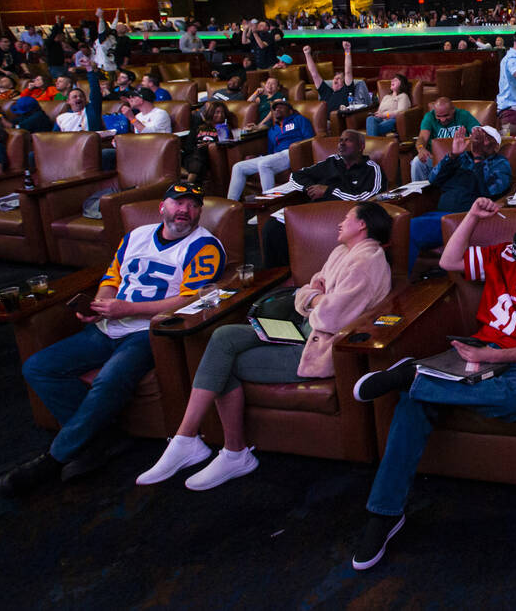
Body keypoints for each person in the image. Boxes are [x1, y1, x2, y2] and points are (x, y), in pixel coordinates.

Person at [348, 199, 516, 570]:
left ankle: (414, 375)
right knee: (413, 404)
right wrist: (472, 216)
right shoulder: (504, 254)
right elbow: (449, 262)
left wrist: (493, 359)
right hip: (476, 345)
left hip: (513, 360)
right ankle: (384, 514)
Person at [136, 202, 392, 490]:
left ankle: (230, 451)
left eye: (346, 219)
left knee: (223, 362)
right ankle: (188, 439)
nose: (339, 223)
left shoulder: (366, 261)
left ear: (362, 225)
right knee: (223, 337)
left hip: (320, 347)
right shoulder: (341, 252)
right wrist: (314, 297)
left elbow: (330, 316)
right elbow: (306, 290)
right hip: (302, 330)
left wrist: (312, 299)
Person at [0, 184, 225, 496]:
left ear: (200, 212)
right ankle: (95, 442)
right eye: (177, 202)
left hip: (149, 332)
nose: (184, 210)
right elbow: (111, 281)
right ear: (162, 207)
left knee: (110, 378)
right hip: (107, 327)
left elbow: (189, 299)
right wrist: (100, 307)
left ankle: (53, 458)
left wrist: (128, 309)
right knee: (38, 366)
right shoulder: (135, 237)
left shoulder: (204, 247)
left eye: (193, 205)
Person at [261, 129, 386, 268]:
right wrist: (311, 187)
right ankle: (281, 277)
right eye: (340, 140)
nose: (342, 144)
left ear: (361, 146)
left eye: (348, 140)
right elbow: (297, 175)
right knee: (273, 226)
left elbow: (366, 198)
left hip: (344, 214)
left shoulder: (371, 169)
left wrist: (328, 191)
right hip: (314, 209)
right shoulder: (332, 162)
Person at [408, 125, 511, 269]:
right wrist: (453, 155)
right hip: (439, 215)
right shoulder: (461, 157)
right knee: (399, 226)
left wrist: (479, 159)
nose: (477, 139)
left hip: (464, 219)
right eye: (476, 134)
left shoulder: (500, 163)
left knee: (410, 229)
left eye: (484, 137)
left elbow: (490, 192)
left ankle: (402, 279)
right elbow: (433, 179)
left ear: (495, 146)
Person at [226, 99, 314, 200]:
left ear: (290, 111)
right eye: (275, 108)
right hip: (277, 156)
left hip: (292, 152)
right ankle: (232, 204)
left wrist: (297, 150)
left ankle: (269, 204)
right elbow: (271, 152)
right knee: (238, 167)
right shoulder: (272, 130)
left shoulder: (299, 120)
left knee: (264, 164)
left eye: (281, 107)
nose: (277, 109)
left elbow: (310, 139)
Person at [409, 97, 482, 182]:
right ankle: (419, 193)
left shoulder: (463, 115)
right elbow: (422, 138)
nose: (442, 119)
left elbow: (477, 130)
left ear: (453, 110)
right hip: (436, 160)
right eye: (438, 116)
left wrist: (475, 133)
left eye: (446, 115)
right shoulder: (429, 117)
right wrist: (421, 148)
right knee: (417, 162)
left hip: (459, 159)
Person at [305, 42, 370, 113]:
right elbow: (314, 74)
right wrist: (307, 54)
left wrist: (347, 51)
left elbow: (348, 72)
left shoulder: (347, 91)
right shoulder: (326, 91)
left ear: (343, 82)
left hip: (339, 120)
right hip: (323, 121)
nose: (335, 79)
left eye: (339, 78)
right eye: (335, 78)